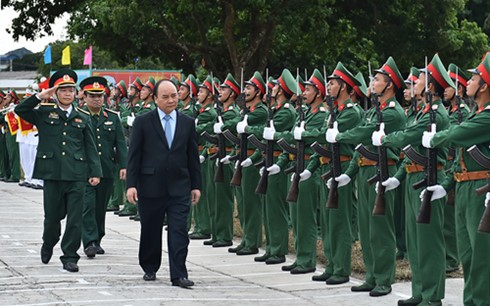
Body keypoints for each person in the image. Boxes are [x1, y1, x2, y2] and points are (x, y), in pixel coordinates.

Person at [15, 68, 102, 273]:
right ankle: (48, 242)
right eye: (62, 90)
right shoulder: (45, 112)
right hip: (52, 173)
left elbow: (90, 146)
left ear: (75, 93)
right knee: (52, 218)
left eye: (71, 90)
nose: (67, 94)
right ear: (55, 93)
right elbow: (20, 111)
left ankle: (70, 256)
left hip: (76, 174)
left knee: (75, 218)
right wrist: (40, 96)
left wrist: (95, 172)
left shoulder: (83, 116)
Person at [126, 79, 201, 288]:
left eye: (174, 95)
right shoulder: (143, 122)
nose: (171, 100)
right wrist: (131, 185)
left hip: (179, 185)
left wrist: (196, 185)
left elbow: (192, 156)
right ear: (156, 99)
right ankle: (150, 266)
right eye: (166, 97)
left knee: (179, 231)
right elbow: (134, 156)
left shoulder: (187, 122)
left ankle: (179, 274)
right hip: (150, 186)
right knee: (150, 229)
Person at [79, 76, 127, 258]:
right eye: (92, 96)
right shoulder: (78, 115)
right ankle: (89, 241)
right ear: (84, 96)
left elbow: (120, 144)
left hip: (106, 169)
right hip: (85, 170)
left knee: (100, 207)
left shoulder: (112, 118)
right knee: (88, 206)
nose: (97, 99)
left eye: (100, 95)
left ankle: (97, 238)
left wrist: (124, 165)